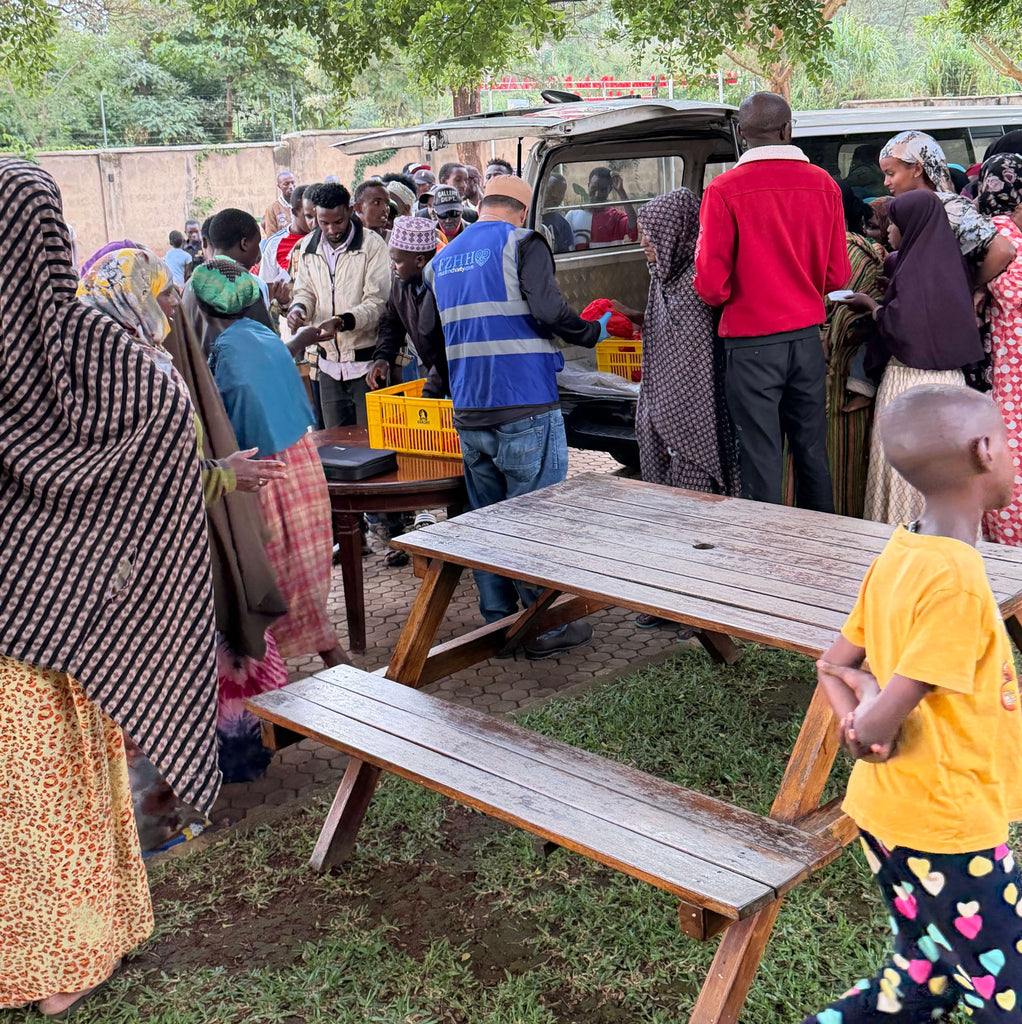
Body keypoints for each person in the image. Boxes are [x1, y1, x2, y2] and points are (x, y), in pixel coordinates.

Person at [0, 158, 220, 1016]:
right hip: (80, 620)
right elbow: (168, 425)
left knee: (18, 796)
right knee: (65, 789)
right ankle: (71, 961)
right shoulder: (91, 346)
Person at [806, 384, 1022, 1024]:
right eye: (1009, 440)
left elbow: (834, 663)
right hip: (947, 829)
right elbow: (872, 723)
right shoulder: (956, 580)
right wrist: (869, 713)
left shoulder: (901, 551)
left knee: (922, 976)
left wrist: (867, 695)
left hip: (888, 818)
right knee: (1007, 995)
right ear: (985, 452)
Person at [76, 247, 293, 788]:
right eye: (163, 291)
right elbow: (139, 470)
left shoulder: (140, 355)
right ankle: (171, 789)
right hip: (149, 546)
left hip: (175, 534)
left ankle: (214, 764)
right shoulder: (121, 370)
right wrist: (221, 474)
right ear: (129, 298)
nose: (174, 303)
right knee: (171, 662)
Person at [420, 174, 612, 656]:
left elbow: (426, 334)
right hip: (524, 402)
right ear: (522, 211)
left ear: (482, 205)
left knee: (488, 522)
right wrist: (590, 333)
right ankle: (543, 629)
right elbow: (548, 309)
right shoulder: (524, 243)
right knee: (535, 522)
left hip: (470, 411)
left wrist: (457, 376)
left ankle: (499, 626)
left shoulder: (443, 259)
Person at [694, 91, 850, 512]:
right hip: (805, 342)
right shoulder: (824, 185)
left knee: (762, 458)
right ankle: (822, 546)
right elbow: (838, 277)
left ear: (742, 137)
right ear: (787, 129)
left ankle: (767, 561)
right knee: (812, 452)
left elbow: (711, 286)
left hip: (750, 345)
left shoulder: (724, 190)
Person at [193, 258, 350, 670]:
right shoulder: (261, 333)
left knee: (272, 569)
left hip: (263, 474)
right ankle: (327, 655)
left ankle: (292, 666)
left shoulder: (223, 354)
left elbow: (226, 423)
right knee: (302, 564)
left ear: (202, 307)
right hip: (301, 461)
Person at [840, 189, 984, 526]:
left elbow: (901, 327)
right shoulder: (951, 266)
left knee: (904, 472)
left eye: (893, 223)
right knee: (943, 473)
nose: (888, 230)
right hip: (952, 386)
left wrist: (872, 305)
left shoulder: (909, 270)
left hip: (907, 384)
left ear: (913, 225)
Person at [627, 188, 739, 497]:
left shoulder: (697, 280)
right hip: (660, 392)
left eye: (651, 234)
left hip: (695, 398)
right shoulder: (662, 275)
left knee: (694, 474)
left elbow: (695, 345)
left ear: (676, 230)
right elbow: (661, 325)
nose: (643, 243)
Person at [287, 181, 390, 427]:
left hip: (366, 367)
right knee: (338, 447)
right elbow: (304, 291)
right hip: (328, 367)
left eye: (338, 222)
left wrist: (342, 321)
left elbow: (377, 303)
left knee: (373, 448)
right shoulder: (308, 247)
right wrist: (298, 309)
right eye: (324, 223)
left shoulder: (373, 245)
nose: (331, 230)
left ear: (350, 210)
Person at [878, 130, 1015, 292]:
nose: (886, 182)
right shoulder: (915, 208)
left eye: (891, 174)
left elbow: (1003, 250)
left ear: (916, 169)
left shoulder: (951, 208)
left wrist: (971, 287)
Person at [823, 183, 888, 518]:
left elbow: (839, 320)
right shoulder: (871, 251)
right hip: (860, 381)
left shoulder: (844, 253)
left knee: (835, 458)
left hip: (836, 383)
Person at [977, 153, 1022, 545]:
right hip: (1009, 367)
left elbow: (1005, 291)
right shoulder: (1003, 233)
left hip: (1010, 368)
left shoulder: (999, 234)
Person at [183, 208, 277, 354]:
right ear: (244, 243)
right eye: (257, 244)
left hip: (202, 376)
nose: (259, 255)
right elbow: (267, 350)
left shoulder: (191, 283)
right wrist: (301, 340)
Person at [565, 166, 637, 250]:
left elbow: (634, 227)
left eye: (602, 190)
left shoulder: (617, 217)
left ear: (609, 189)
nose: (597, 194)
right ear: (588, 186)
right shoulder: (572, 216)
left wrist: (621, 191)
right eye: (593, 188)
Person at [260, 183, 311, 283]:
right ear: (294, 212)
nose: (314, 221)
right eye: (308, 216)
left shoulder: (324, 239)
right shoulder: (274, 244)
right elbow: (267, 286)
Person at [540, 172, 575, 254]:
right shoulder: (526, 215)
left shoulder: (563, 225)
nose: (554, 195)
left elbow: (567, 256)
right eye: (550, 190)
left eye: (560, 192)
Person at [263, 169, 295, 237]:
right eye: (286, 184)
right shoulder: (272, 209)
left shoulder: (300, 205)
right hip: (283, 246)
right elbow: (271, 236)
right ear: (279, 186)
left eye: (292, 183)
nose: (291, 187)